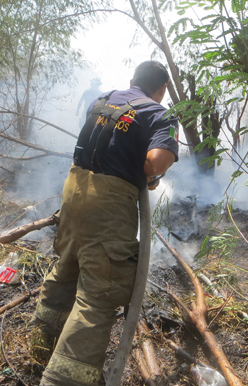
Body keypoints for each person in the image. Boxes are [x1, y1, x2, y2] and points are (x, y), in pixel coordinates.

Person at [31, 61, 179, 386]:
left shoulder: (104, 99)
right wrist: (148, 173)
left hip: (74, 190)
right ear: (163, 88)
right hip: (108, 203)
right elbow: (157, 161)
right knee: (100, 293)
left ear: (132, 79)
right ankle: (65, 381)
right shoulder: (160, 113)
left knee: (67, 268)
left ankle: (41, 346)